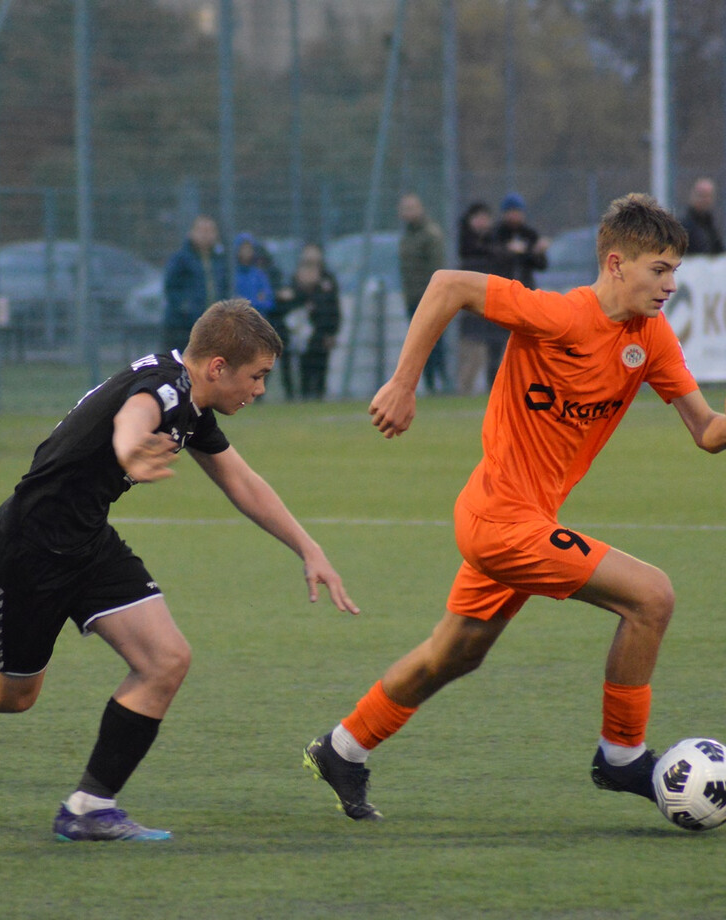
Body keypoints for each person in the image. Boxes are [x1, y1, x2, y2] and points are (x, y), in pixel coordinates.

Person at [303, 192, 726, 822]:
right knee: (652, 596)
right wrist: (403, 381)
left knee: (456, 655)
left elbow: (706, 431)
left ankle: (343, 748)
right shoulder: (556, 315)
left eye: (675, 273)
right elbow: (448, 284)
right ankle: (620, 755)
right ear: (616, 263)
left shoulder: (652, 340)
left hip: (524, 522)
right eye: (659, 270)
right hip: (500, 520)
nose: (670, 286)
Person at [0, 298, 359, 842]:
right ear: (218, 367)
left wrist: (308, 549)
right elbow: (134, 416)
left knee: (166, 660)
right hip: (26, 552)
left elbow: (241, 482)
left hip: (86, 543)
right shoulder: (168, 390)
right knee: (9, 694)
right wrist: (129, 452)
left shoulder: (192, 402)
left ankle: (88, 809)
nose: (260, 389)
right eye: (257, 376)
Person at [487, 193, 551, 385]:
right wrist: (509, 250)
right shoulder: (496, 233)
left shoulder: (529, 234)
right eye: (511, 212)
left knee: (528, 341)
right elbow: (492, 257)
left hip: (525, 295)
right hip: (501, 294)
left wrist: (534, 252)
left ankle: (528, 382)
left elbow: (541, 264)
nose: (515, 216)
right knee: (497, 343)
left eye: (518, 212)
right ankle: (495, 384)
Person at [397, 193, 450, 394]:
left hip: (428, 298)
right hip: (412, 298)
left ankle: (443, 383)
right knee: (419, 345)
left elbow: (437, 269)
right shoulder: (407, 237)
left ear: (421, 209)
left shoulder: (430, 234)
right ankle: (429, 385)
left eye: (411, 207)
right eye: (404, 208)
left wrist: (433, 298)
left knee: (434, 342)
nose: (407, 212)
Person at [275, 243, 341, 401]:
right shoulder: (292, 287)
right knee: (297, 369)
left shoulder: (328, 284)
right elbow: (282, 313)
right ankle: (294, 396)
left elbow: (333, 311)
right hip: (296, 338)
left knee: (319, 369)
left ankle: (318, 395)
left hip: (319, 337)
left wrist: (331, 333)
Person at [162, 215, 228, 352]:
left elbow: (224, 286)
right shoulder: (181, 259)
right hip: (183, 327)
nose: (206, 235)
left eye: (210, 231)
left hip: (212, 326)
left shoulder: (219, 260)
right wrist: (185, 308)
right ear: (191, 233)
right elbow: (171, 287)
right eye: (202, 230)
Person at [457, 202, 498, 395]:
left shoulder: (493, 239)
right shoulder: (463, 240)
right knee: (471, 349)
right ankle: (463, 388)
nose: (482, 222)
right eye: (478, 217)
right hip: (468, 304)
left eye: (485, 217)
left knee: (488, 350)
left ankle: (488, 389)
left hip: (489, 301)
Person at [234, 233, 275, 319]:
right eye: (243, 248)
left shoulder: (259, 275)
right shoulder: (232, 275)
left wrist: (246, 303)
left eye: (249, 248)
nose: (246, 251)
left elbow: (268, 301)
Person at [681, 177, 724, 255]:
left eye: (708, 196)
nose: (705, 200)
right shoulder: (683, 227)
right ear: (693, 195)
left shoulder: (711, 226)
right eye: (702, 195)